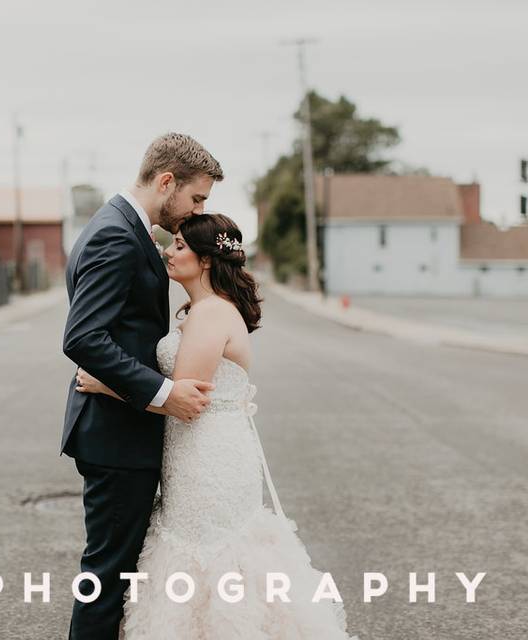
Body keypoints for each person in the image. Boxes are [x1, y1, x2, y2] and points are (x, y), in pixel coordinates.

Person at [76, 213, 358, 639]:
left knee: (212, 558)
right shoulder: (196, 311)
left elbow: (183, 401)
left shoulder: (211, 314)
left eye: (180, 246)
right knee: (197, 561)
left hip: (210, 457)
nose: (168, 252)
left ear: (206, 260)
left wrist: (105, 383)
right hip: (193, 451)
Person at [60, 132, 224, 639]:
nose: (197, 211)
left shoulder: (126, 228)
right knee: (107, 579)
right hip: (115, 437)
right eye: (196, 198)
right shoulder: (116, 234)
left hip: (120, 430)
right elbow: (84, 336)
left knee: (116, 575)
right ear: (166, 181)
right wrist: (163, 394)